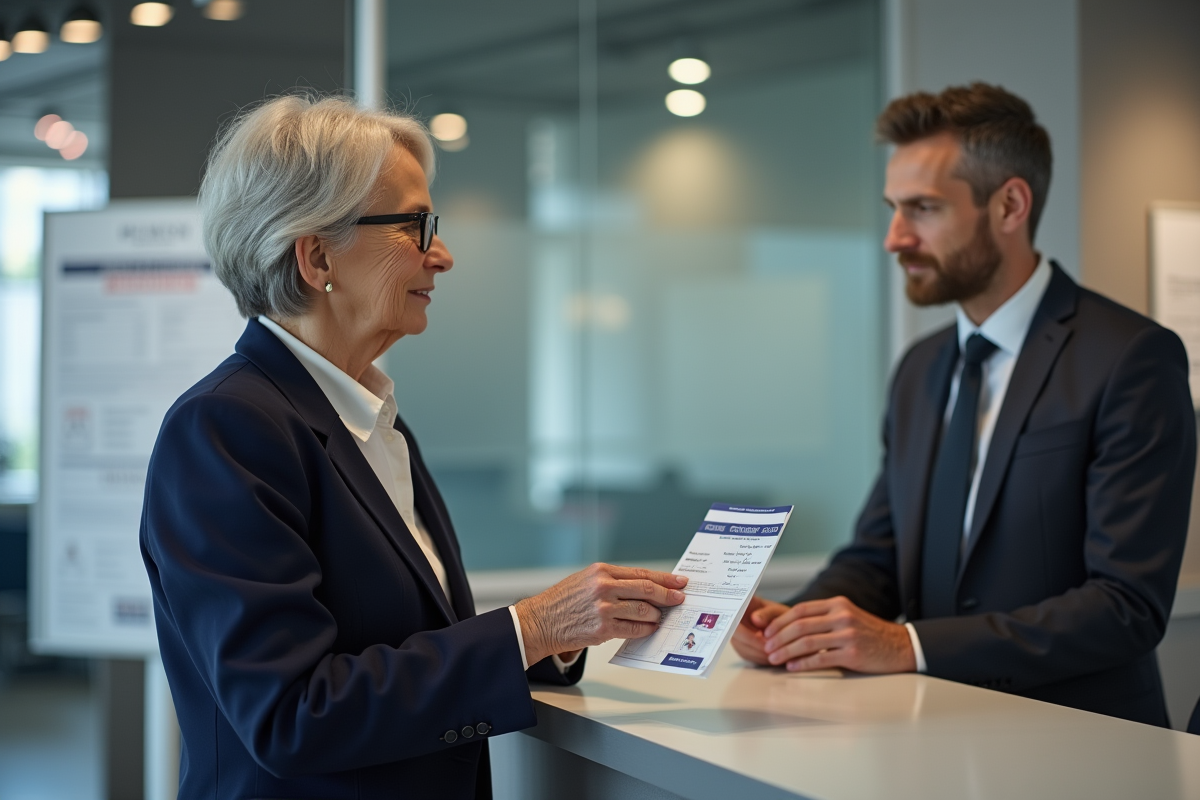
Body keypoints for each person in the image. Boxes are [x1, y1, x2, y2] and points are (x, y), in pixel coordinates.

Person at [139, 94, 689, 800]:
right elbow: (293, 717)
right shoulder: (225, 429)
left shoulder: (370, 418)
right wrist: (529, 626)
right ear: (315, 256)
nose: (444, 255)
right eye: (415, 226)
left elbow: (405, 646)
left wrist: (560, 634)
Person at [732, 83, 1196, 725]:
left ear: (1009, 204)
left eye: (922, 209)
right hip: (932, 735)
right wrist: (797, 623)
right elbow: (880, 555)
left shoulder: (1131, 358)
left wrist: (907, 643)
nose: (895, 238)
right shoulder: (919, 369)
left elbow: (1125, 606)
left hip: (1083, 744)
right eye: (894, 208)